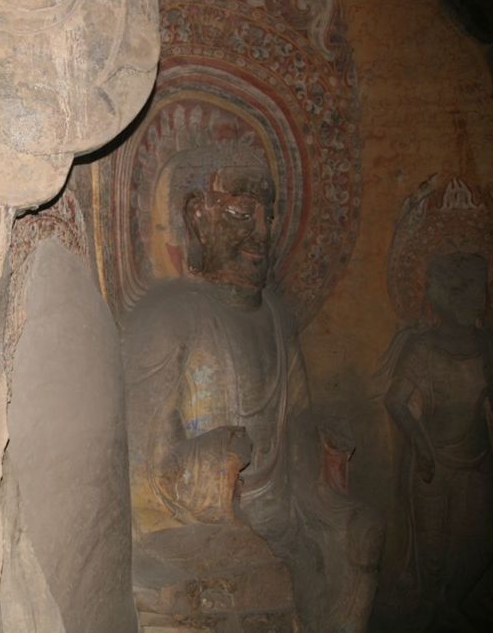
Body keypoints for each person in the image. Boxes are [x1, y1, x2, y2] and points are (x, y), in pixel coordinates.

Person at [123, 160, 382, 631]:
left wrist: (322, 445)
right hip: (206, 524)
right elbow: (144, 465)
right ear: (198, 216)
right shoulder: (168, 318)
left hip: (285, 515)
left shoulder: (278, 319)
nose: (262, 233)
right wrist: (215, 455)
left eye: (269, 217)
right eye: (243, 215)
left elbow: (296, 421)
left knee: (359, 537)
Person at [381, 251, 493, 628]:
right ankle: (433, 606)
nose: (464, 298)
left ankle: (450, 603)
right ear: (434, 294)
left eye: (473, 288)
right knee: (433, 550)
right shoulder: (421, 348)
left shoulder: (492, 346)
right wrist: (422, 447)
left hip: (477, 458)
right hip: (434, 461)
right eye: (453, 288)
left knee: (484, 543)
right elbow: (396, 401)